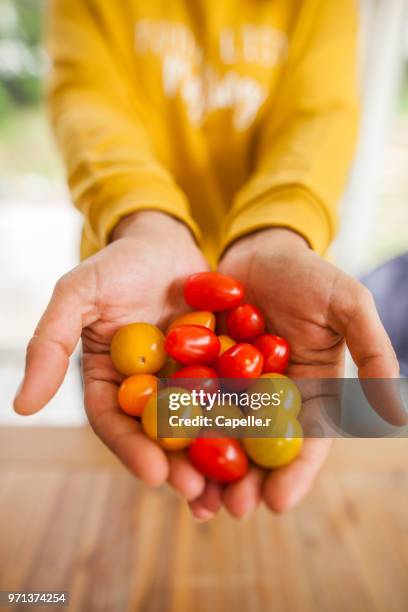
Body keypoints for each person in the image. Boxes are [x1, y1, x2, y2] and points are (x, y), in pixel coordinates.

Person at [14, 0, 401, 521]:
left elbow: (321, 116)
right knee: (134, 476)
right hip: (131, 294)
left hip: (276, 284)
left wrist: (279, 230)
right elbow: (86, 102)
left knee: (202, 465)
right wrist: (143, 217)